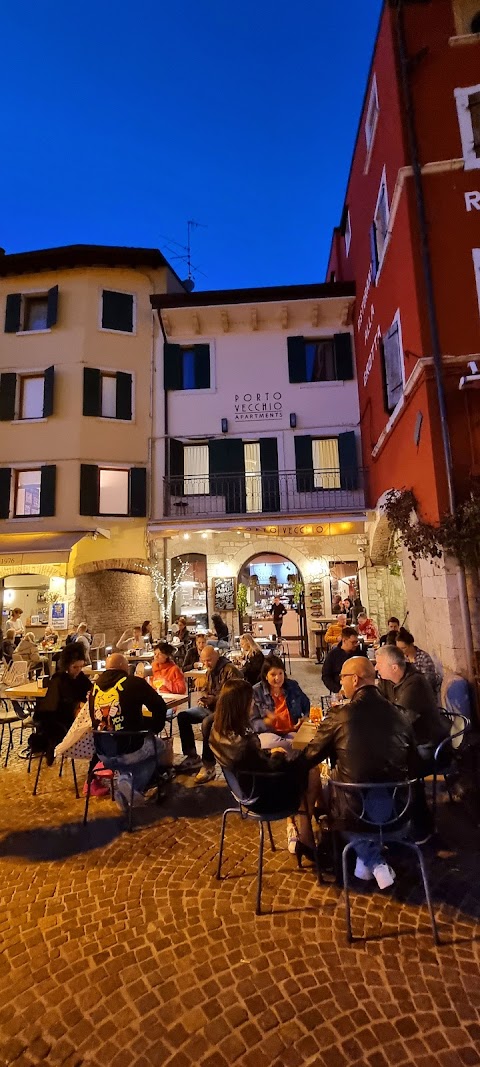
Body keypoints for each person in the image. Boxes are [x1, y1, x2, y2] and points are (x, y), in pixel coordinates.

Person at [303, 657, 419, 889]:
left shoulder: (340, 716)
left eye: (342, 678)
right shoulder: (401, 714)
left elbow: (310, 756)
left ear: (354, 679)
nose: (340, 683)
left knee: (326, 783)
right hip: (399, 811)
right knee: (363, 788)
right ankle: (369, 864)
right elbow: (415, 763)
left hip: (353, 815)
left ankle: (371, 861)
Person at [210, 677, 316, 862]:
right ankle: (307, 837)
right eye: (250, 701)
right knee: (311, 774)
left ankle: (309, 829)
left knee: (304, 771)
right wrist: (279, 756)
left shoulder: (217, 732)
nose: (253, 705)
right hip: (262, 799)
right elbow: (271, 769)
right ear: (240, 705)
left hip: (242, 792)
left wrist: (270, 753)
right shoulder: (244, 745)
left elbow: (255, 763)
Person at [89, 653, 168, 810]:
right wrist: (153, 728)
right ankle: (131, 783)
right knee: (159, 747)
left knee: (130, 760)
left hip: (103, 753)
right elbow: (159, 706)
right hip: (129, 748)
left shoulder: (94, 688)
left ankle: (125, 793)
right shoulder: (134, 683)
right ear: (124, 668)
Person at [176, 645, 241, 782]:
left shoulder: (230, 670)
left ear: (217, 656)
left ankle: (209, 765)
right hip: (211, 707)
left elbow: (235, 694)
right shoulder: (209, 671)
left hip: (225, 710)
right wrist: (204, 698)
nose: (206, 664)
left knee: (207, 724)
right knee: (183, 716)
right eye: (204, 661)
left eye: (209, 660)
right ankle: (192, 755)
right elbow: (207, 689)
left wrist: (214, 699)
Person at [375, 645, 449, 754]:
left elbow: (400, 722)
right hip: (408, 739)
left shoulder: (415, 684)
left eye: (379, 664)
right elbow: (377, 702)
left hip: (426, 743)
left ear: (394, 668)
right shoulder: (387, 680)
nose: (375, 668)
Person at [28, 643, 92, 765]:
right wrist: (76, 705)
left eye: (81, 667)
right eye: (75, 667)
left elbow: (90, 690)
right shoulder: (58, 679)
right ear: (67, 665)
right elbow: (55, 706)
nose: (78, 670)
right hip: (59, 720)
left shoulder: (81, 677)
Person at [251, 655, 310, 749]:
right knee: (274, 744)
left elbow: (306, 704)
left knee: (301, 743)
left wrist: (304, 718)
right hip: (269, 734)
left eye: (280, 673)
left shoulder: (292, 686)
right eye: (273, 674)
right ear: (266, 676)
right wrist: (266, 722)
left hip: (291, 731)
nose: (277, 678)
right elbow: (252, 722)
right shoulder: (256, 691)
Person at [395, 627, 441, 696]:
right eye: (398, 648)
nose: (401, 651)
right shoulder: (402, 659)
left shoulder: (424, 657)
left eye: (403, 648)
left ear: (411, 645)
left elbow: (428, 681)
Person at [321, 626, 366, 694]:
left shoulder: (360, 653)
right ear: (344, 640)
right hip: (339, 690)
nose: (356, 644)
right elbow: (326, 676)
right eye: (353, 642)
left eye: (357, 642)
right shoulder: (333, 655)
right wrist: (337, 690)